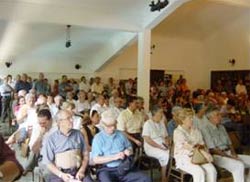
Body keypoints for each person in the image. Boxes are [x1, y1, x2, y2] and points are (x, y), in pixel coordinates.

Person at [91, 110, 151, 182]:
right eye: (109, 126)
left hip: (123, 167)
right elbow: (96, 159)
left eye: (114, 124)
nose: (113, 128)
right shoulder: (98, 138)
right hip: (107, 169)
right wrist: (114, 157)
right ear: (103, 125)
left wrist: (128, 151)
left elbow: (130, 148)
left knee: (145, 178)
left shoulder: (120, 134)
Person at [201, 107, 250, 182]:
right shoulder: (206, 129)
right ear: (210, 118)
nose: (220, 117)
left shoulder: (221, 127)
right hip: (217, 156)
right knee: (239, 166)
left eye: (220, 115)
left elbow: (229, 143)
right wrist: (229, 157)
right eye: (218, 115)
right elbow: (213, 149)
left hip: (228, 153)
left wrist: (233, 154)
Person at [42, 110, 93, 182]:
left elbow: (86, 155)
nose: (72, 120)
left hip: (78, 171)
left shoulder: (78, 134)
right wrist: (61, 175)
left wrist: (82, 170)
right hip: (60, 173)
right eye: (68, 118)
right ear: (60, 122)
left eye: (72, 118)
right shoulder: (51, 139)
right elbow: (48, 162)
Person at [173, 108, 217, 182]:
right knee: (199, 172)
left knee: (212, 170)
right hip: (184, 158)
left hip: (199, 157)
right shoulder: (178, 132)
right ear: (183, 120)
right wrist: (203, 152)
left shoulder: (196, 130)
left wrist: (206, 152)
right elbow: (187, 146)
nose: (192, 120)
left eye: (192, 118)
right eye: (190, 118)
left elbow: (202, 144)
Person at [142, 107, 170, 182]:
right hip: (151, 147)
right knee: (165, 155)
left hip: (162, 145)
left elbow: (166, 136)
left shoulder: (161, 123)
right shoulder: (147, 124)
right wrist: (159, 147)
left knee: (173, 153)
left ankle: (168, 174)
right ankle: (163, 177)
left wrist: (166, 142)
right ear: (155, 113)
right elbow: (147, 139)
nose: (162, 114)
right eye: (160, 112)